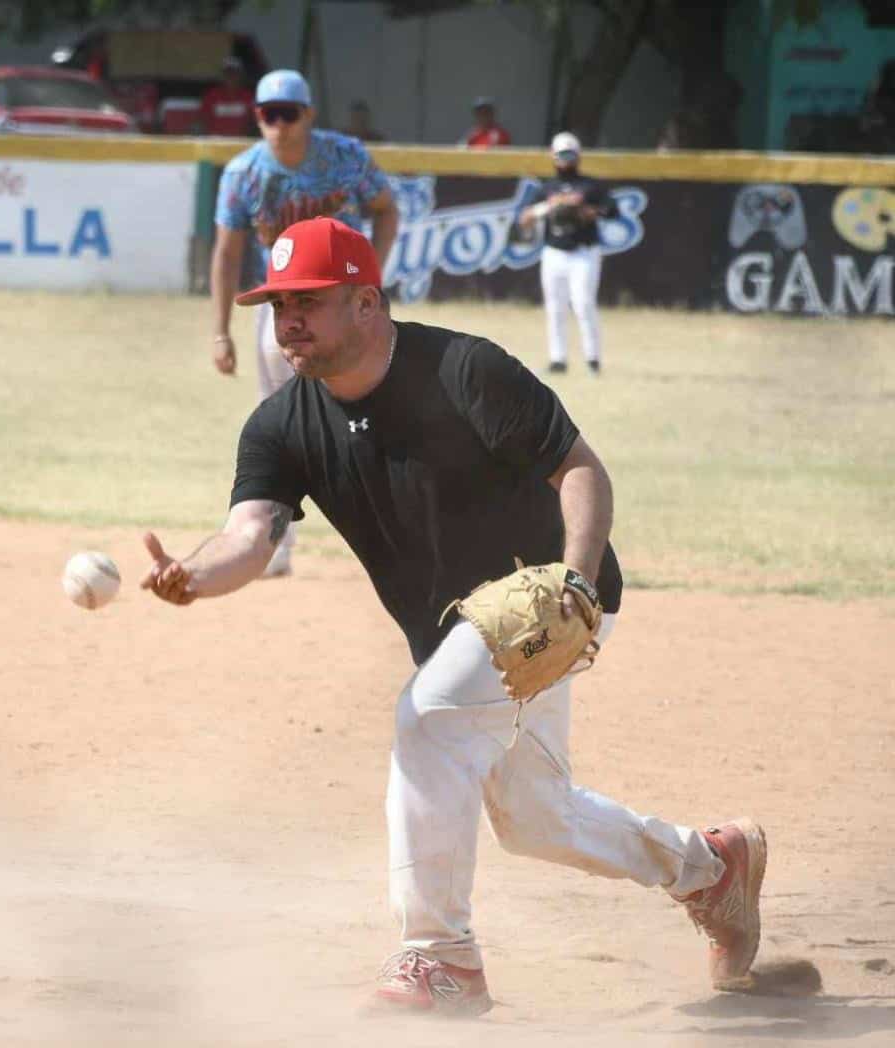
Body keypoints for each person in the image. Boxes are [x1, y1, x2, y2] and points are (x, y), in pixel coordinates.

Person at [144, 215, 766, 1016]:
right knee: (537, 819)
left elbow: (581, 471)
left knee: (429, 720)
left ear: (367, 302)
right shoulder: (282, 423)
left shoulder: (465, 370)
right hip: (461, 634)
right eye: (277, 302)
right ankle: (712, 869)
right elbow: (251, 534)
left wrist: (575, 582)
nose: (287, 319)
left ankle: (439, 957)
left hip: (554, 599)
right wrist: (191, 575)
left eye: (308, 300)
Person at [210, 69, 399, 578]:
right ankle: (272, 547)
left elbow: (386, 209)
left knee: (375, 420)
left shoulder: (344, 157)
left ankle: (399, 539)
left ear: (308, 114)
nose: (277, 124)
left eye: (287, 113)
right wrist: (221, 330)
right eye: (266, 114)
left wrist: (371, 286)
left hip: (347, 307)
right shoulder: (244, 173)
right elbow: (227, 255)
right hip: (285, 311)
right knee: (284, 428)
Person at [517, 131, 617, 374]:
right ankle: (558, 359)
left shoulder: (591, 186)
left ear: (578, 155)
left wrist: (584, 209)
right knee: (555, 306)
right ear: (553, 156)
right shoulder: (546, 188)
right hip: (554, 252)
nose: (566, 159)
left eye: (570, 154)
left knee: (583, 304)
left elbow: (612, 211)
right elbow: (524, 218)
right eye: (562, 154)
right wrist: (550, 206)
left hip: (584, 251)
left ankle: (593, 359)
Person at [199, 56, 256, 137]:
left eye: (234, 73)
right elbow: (202, 120)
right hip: (215, 141)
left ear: (241, 75)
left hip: (241, 141)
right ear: (222, 76)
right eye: (228, 73)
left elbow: (255, 121)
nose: (231, 77)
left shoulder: (248, 96)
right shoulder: (212, 95)